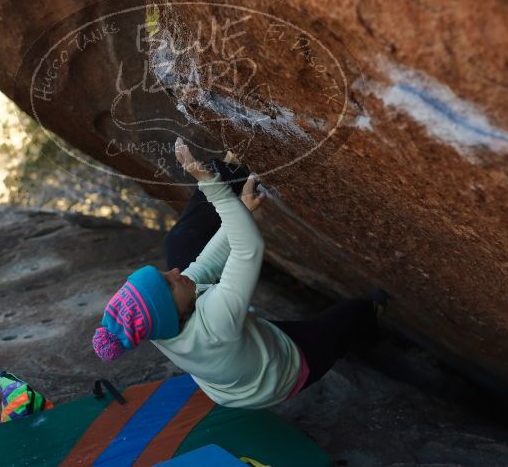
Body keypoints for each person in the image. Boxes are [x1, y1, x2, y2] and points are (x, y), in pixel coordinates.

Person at [91, 137, 386, 409]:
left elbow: (206, 264)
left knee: (179, 244)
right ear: (174, 312)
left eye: (162, 274)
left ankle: (230, 170)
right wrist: (213, 188)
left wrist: (240, 209)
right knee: (349, 316)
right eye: (168, 283)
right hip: (278, 376)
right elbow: (248, 249)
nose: (175, 271)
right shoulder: (215, 323)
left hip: (240, 355)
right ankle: (375, 310)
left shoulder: (157, 325)